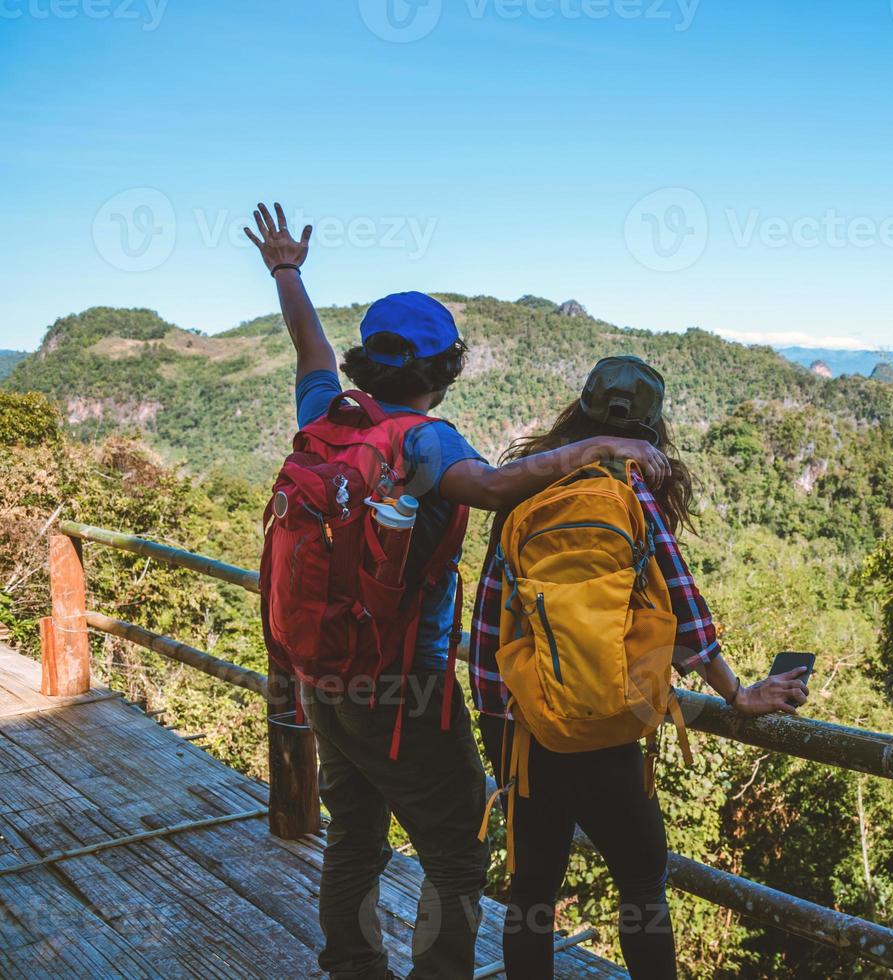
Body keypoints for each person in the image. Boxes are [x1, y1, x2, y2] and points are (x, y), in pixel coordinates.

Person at [246, 203, 669, 980]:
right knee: (457, 856)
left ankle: (351, 966)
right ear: (446, 370)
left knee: (356, 835)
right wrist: (604, 444)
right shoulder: (427, 440)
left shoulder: (329, 413)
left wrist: (287, 272)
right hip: (401, 686)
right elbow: (500, 486)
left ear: (365, 364)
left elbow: (308, 348)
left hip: (320, 674)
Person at [469, 355, 810, 980]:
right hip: (607, 717)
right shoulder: (629, 487)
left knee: (532, 890)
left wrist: (503, 711)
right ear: (653, 427)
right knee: (643, 885)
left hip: (520, 723)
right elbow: (682, 609)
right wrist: (737, 692)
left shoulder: (528, 480)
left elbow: (493, 615)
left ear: (582, 408)